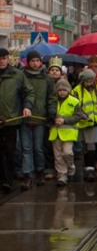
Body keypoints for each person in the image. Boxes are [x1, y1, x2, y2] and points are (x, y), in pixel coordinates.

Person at [20, 50, 56, 189]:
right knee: (26, 148)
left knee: (38, 148)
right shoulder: (22, 76)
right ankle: (27, 174)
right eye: (32, 61)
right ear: (28, 62)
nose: (35, 64)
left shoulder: (47, 78)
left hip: (40, 118)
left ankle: (40, 170)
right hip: (24, 117)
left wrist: (51, 112)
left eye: (37, 61)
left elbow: (52, 97)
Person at [0, 47, 34, 191]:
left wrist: (27, 106)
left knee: (9, 151)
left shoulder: (18, 75)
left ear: (8, 59)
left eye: (3, 58)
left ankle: (7, 180)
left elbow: (29, 92)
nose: (1, 61)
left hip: (11, 120)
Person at [71, 69, 97, 181]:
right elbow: (76, 106)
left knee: (93, 145)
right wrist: (82, 115)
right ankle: (89, 166)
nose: (89, 84)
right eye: (87, 82)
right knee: (86, 146)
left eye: (91, 81)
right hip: (84, 122)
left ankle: (90, 167)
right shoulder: (76, 91)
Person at [49, 79, 83, 187]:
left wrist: (64, 120)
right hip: (55, 132)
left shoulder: (74, 101)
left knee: (67, 152)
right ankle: (62, 175)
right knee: (58, 155)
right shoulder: (52, 101)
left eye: (64, 90)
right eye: (59, 90)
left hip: (69, 132)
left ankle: (71, 167)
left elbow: (78, 116)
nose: (62, 92)